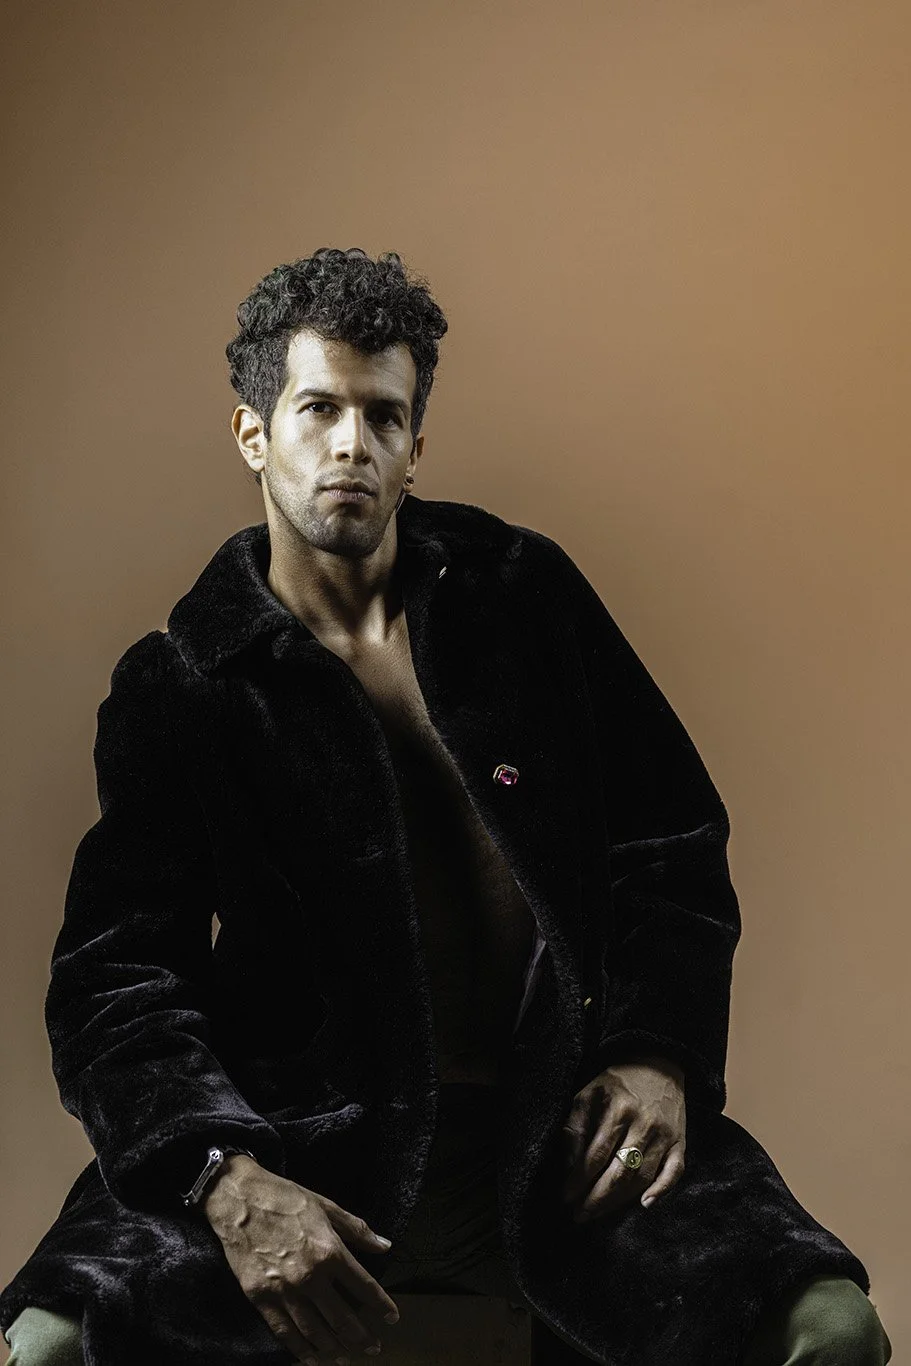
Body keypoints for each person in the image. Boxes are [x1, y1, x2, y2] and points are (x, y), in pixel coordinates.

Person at [0, 248, 892, 1366]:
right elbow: (113, 980)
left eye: (382, 417)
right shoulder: (184, 683)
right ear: (252, 433)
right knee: (45, 1347)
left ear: (415, 446)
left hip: (550, 1139)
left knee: (831, 1330)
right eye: (317, 408)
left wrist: (656, 1056)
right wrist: (222, 1177)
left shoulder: (523, 597)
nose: (349, 446)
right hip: (298, 1140)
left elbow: (669, 843)